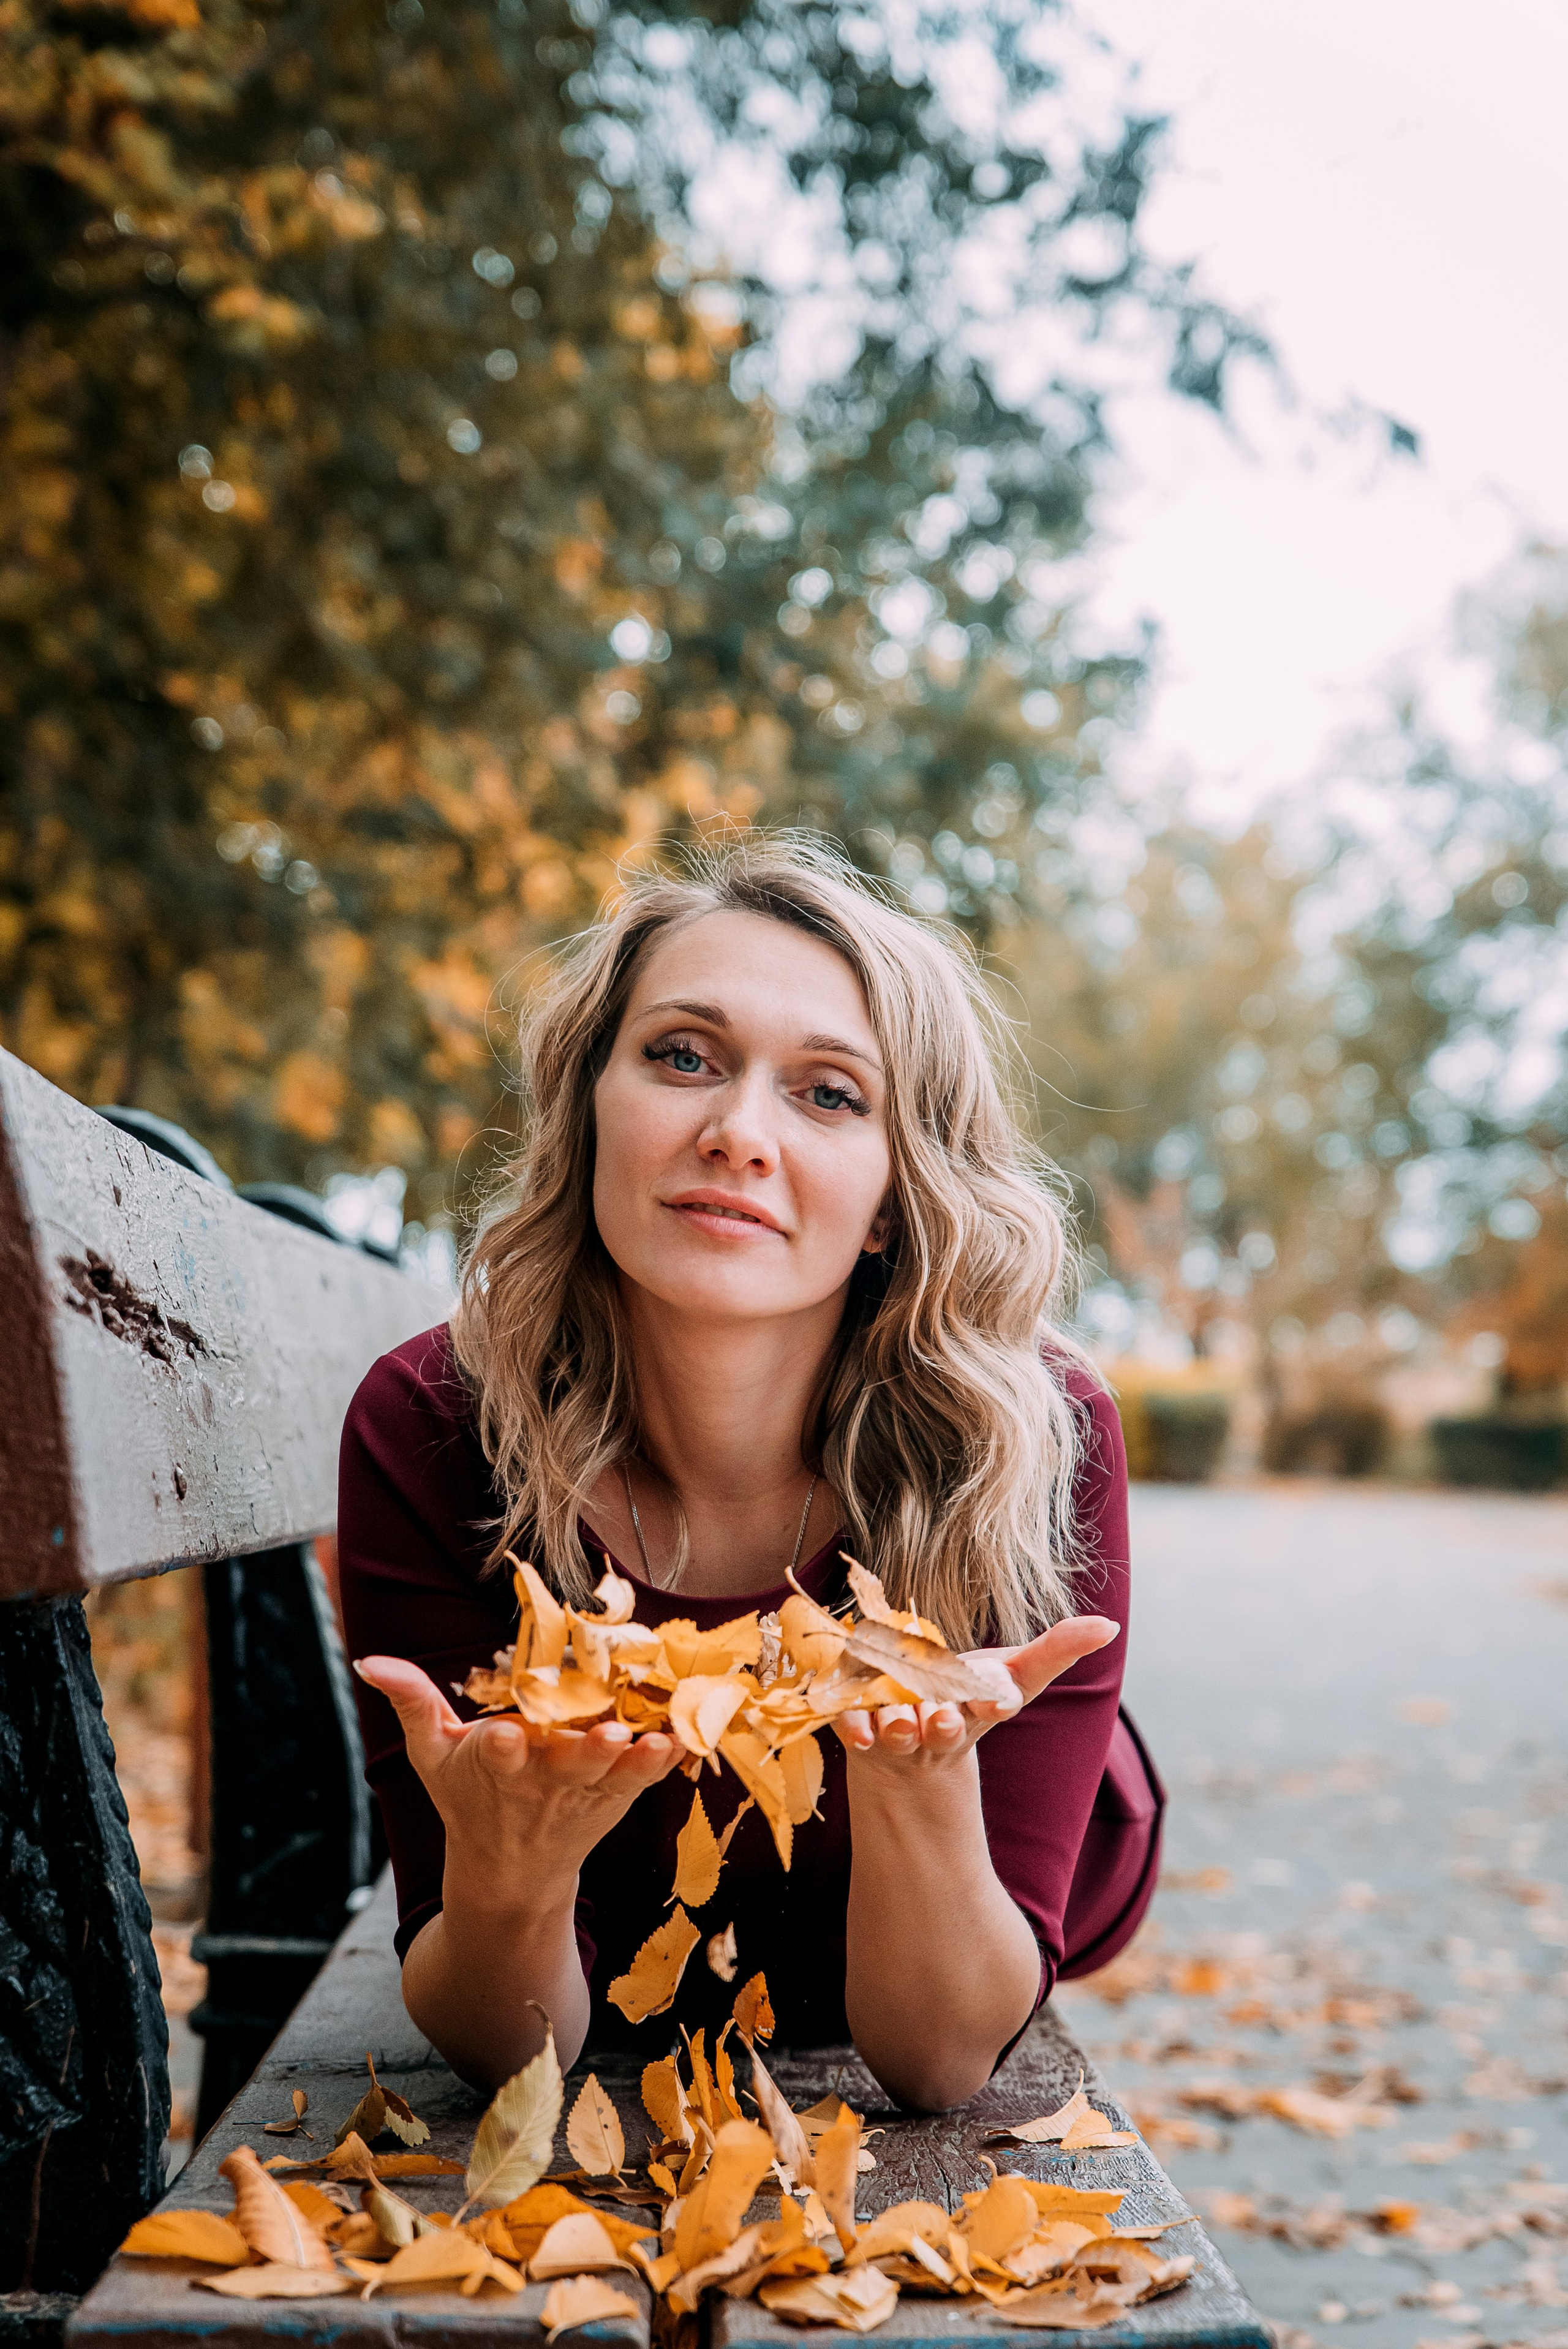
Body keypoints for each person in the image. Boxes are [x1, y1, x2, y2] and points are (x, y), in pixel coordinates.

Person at [342, 834, 1162, 2111]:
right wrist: (508, 1876)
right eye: (683, 1057)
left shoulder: (1033, 1435)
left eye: (828, 1094)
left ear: (895, 1193)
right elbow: (508, 2052)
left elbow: (937, 2062)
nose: (735, 1133)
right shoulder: (434, 1422)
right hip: (629, 1977)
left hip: (996, 1872)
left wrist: (919, 1777)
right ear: (588, 1104)